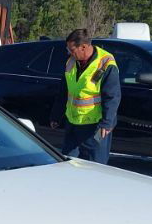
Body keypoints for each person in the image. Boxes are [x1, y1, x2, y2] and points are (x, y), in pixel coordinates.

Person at [50, 29, 120, 164]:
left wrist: (106, 123)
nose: (69, 52)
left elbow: (112, 96)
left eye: (72, 49)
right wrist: (56, 115)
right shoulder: (70, 62)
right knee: (68, 163)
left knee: (96, 165)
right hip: (73, 124)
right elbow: (64, 92)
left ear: (83, 47)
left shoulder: (105, 63)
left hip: (96, 127)